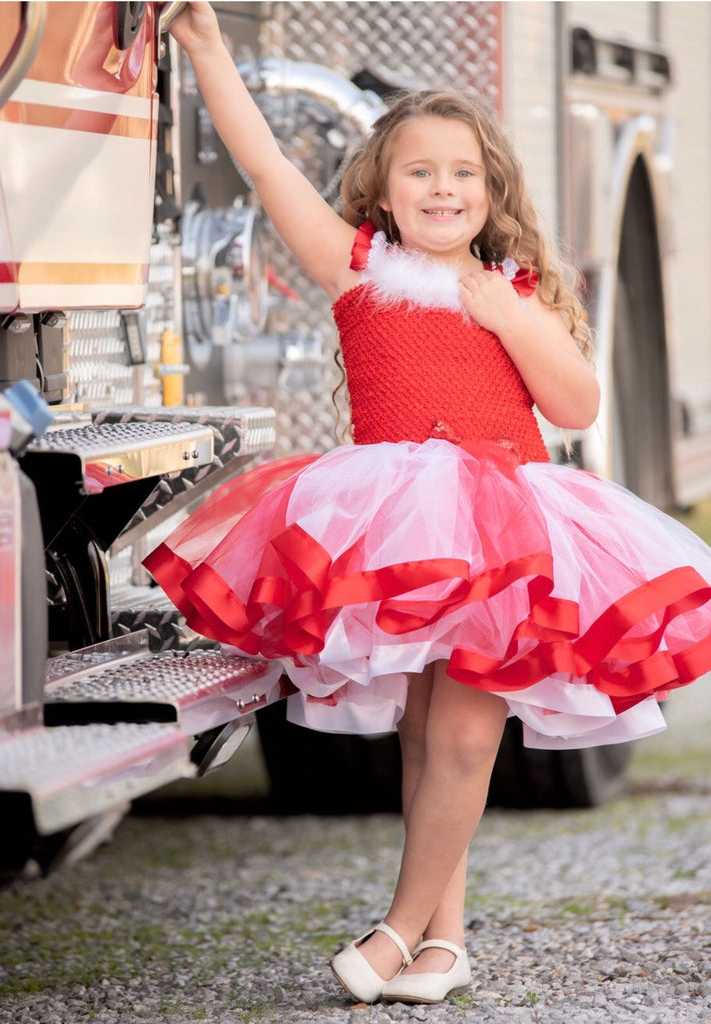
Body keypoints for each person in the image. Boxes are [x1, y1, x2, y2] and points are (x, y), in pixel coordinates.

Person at [147, 1, 711, 1006]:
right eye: (419, 171)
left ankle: (399, 926)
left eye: (462, 172)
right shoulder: (356, 269)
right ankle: (444, 945)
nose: (441, 187)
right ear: (381, 189)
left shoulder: (514, 287)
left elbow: (576, 404)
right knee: (420, 735)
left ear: (492, 191)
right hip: (405, 530)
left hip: (509, 540)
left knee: (460, 738)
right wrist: (206, 51)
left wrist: (509, 313)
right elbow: (270, 168)